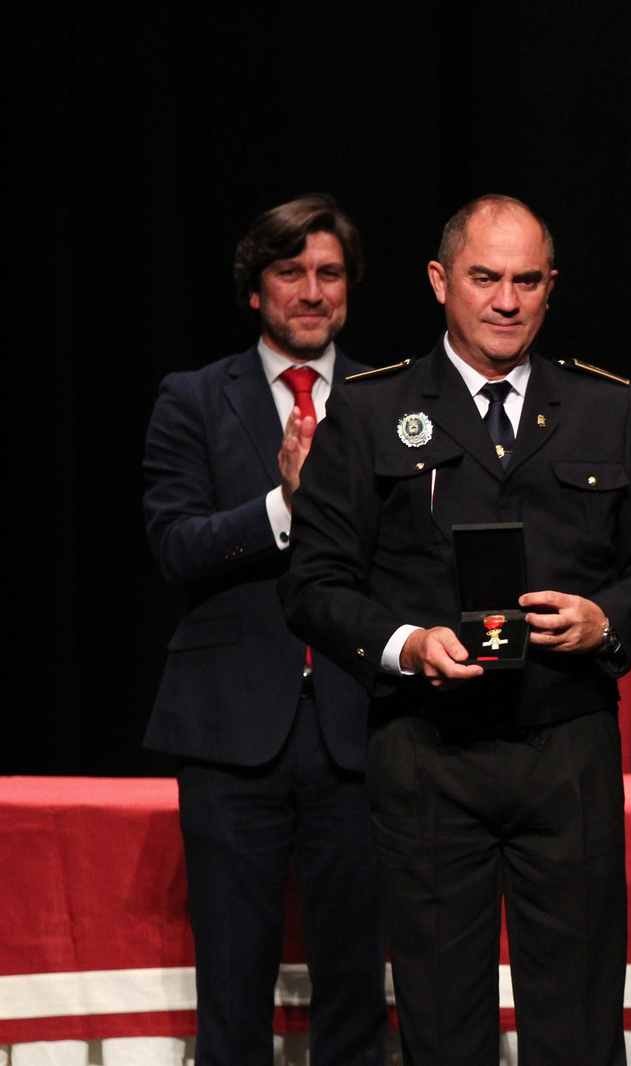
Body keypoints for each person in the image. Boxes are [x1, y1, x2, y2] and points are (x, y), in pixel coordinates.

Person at [279, 194, 631, 1066]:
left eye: (526, 281)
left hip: (566, 748)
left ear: (550, 289)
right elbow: (314, 584)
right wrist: (405, 645)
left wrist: (606, 620)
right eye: (484, 279)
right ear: (440, 283)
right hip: (427, 749)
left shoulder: (605, 409)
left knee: (580, 1027)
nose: (506, 301)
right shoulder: (370, 408)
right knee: (440, 1027)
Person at [142, 194, 386, 1066]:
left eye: (329, 273)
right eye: (291, 273)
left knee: (357, 989)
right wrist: (286, 505)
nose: (312, 291)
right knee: (233, 994)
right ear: (256, 290)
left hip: (359, 729)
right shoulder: (194, 400)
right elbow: (175, 545)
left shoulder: (387, 400)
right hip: (229, 731)